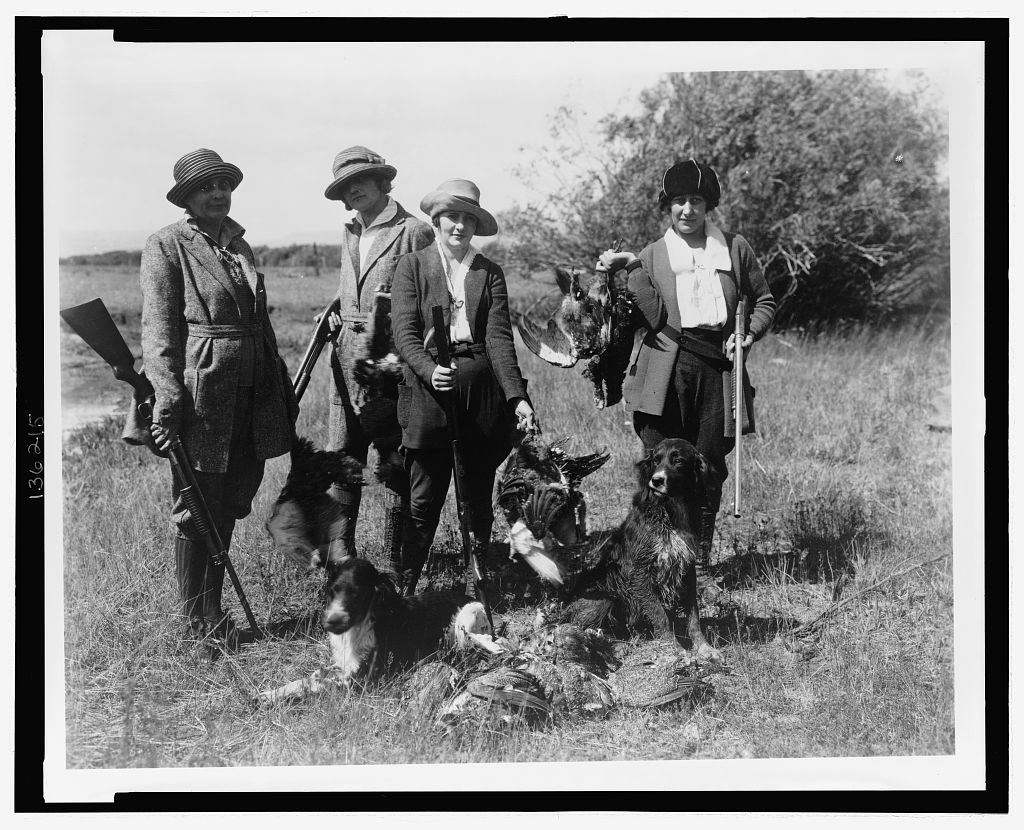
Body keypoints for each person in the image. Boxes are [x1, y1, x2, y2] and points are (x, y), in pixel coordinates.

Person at [133, 148, 298, 652]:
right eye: (206, 187)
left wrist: (282, 389)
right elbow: (158, 332)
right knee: (195, 507)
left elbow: (261, 325)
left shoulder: (239, 243)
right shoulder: (167, 245)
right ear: (187, 197)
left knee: (230, 502)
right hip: (203, 401)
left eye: (224, 185)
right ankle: (194, 628)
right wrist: (167, 398)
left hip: (252, 397)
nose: (218, 194)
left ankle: (212, 612)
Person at [598, 159, 776, 591]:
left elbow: (765, 301)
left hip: (719, 370)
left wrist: (748, 335)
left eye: (696, 200)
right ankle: (655, 557)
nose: (687, 210)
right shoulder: (653, 255)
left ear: (708, 204)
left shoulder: (734, 248)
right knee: (659, 463)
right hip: (665, 369)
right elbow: (654, 316)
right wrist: (629, 269)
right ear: (668, 206)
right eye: (678, 201)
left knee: (708, 464)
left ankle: (700, 559)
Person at [391, 179, 539, 595]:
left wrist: (516, 397)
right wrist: (427, 369)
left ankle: (479, 584)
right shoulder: (413, 266)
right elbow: (403, 332)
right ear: (436, 221)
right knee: (424, 498)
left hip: (481, 395)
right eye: (452, 217)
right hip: (429, 392)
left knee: (475, 495)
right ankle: (406, 590)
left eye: (467, 219)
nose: (459, 226)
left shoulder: (489, 272)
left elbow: (498, 340)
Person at [321, 146, 435, 573]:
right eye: (346, 186)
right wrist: (334, 309)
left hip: (391, 366)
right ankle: (340, 556)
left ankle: (395, 559)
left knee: (393, 462)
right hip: (344, 364)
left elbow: (427, 303)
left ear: (383, 182)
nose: (354, 189)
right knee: (344, 457)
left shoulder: (414, 231)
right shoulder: (350, 232)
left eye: (362, 179)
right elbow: (351, 287)